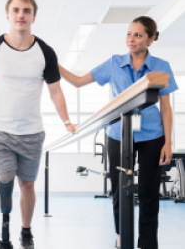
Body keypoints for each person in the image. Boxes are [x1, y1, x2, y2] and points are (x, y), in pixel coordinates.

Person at [0, 0, 75, 249]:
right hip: (1, 131)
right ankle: (4, 229)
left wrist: (67, 121)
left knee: (26, 184)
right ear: (8, 15)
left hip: (33, 133)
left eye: (26, 11)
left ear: (33, 16)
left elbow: (55, 90)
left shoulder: (45, 51)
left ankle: (26, 231)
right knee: (5, 176)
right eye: (16, 10)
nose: (21, 15)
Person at [58, 16, 178, 249]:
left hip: (152, 135)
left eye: (138, 35)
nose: (131, 39)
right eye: (128, 34)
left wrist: (169, 142)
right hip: (118, 134)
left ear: (151, 39)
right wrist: (54, 64)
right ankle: (121, 235)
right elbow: (78, 81)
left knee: (149, 191)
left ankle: (147, 242)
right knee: (118, 189)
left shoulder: (161, 66)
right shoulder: (114, 63)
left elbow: (166, 107)